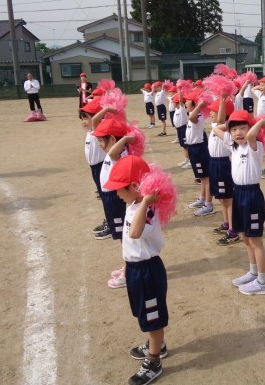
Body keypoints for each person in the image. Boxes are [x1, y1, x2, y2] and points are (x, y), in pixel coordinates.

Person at [103, 155, 169, 385]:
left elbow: (134, 233)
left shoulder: (147, 210)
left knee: (153, 317)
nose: (116, 193)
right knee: (144, 312)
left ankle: (154, 361)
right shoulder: (134, 204)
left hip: (148, 271)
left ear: (133, 187)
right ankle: (157, 344)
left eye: (119, 188)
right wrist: (142, 198)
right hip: (135, 270)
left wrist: (147, 200)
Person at [213, 110, 265, 295]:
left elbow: (252, 135)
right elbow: (215, 129)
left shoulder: (255, 145)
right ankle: (253, 272)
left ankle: (263, 281)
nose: (238, 133)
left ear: (250, 128)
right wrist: (229, 125)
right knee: (246, 238)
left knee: (255, 239)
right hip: (238, 193)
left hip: (252, 195)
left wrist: (260, 123)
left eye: (242, 128)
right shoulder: (233, 146)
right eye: (234, 129)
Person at [92, 118, 131, 288]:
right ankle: (127, 266)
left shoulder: (118, 153)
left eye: (101, 140)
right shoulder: (113, 153)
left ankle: (128, 272)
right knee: (121, 236)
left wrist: (125, 138)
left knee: (124, 237)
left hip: (116, 200)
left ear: (114, 140)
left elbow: (114, 151)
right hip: (110, 199)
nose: (99, 145)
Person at [208, 96, 240, 245]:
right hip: (214, 163)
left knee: (228, 198)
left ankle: (233, 232)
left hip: (223, 165)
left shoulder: (226, 129)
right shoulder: (215, 125)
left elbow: (221, 119)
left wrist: (222, 100)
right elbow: (219, 119)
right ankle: (227, 223)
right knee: (221, 198)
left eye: (213, 110)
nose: (210, 113)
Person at [183, 89, 214, 217]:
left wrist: (200, 104)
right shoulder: (194, 115)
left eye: (188, 101)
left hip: (199, 150)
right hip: (193, 149)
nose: (185, 103)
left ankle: (208, 204)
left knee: (206, 178)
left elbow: (192, 117)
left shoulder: (198, 117)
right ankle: (202, 198)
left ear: (195, 103)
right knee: (202, 177)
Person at [79, 100, 108, 234]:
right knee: (103, 196)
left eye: (86, 118)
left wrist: (107, 109)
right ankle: (109, 220)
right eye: (82, 119)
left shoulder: (98, 130)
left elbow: (96, 119)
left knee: (106, 197)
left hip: (101, 168)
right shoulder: (90, 131)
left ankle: (111, 224)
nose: (83, 121)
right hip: (95, 169)